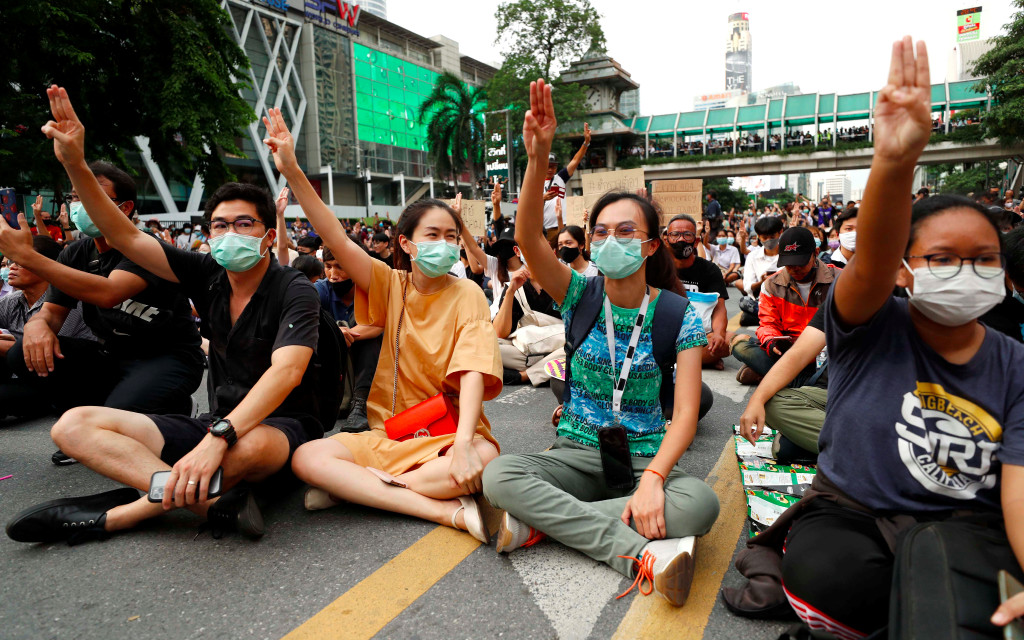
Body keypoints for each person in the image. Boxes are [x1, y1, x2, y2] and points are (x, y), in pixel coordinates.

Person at [729, 39, 1024, 638]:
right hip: (854, 514)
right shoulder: (872, 317)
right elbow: (864, 269)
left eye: (983, 259)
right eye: (942, 258)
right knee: (831, 578)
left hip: (967, 528)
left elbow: (1018, 490)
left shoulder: (1015, 365)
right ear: (903, 269)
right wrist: (895, 160)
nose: (964, 271)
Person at [5, 86, 324, 544]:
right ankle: (212, 503)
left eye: (244, 224)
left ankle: (122, 515)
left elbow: (287, 372)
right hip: (213, 422)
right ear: (208, 235)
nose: (230, 233)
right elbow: (124, 234)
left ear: (268, 236)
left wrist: (218, 438)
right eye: (219, 225)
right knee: (72, 426)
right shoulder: (206, 274)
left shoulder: (293, 287)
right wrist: (75, 161)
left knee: (244, 449)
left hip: (279, 426)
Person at [483, 79, 719, 608]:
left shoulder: (677, 314)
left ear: (651, 244)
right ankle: (633, 551)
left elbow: (685, 415)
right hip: (575, 453)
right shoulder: (577, 293)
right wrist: (538, 158)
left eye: (627, 231)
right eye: (602, 231)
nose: (612, 240)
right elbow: (527, 238)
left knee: (701, 502)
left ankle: (539, 525)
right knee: (500, 474)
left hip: (641, 458)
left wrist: (654, 478)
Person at [259, 108, 503, 543]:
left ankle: (357, 490)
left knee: (482, 463)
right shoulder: (390, 283)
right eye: (433, 235)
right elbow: (335, 236)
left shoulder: (467, 292)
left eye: (452, 236)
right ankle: (446, 513)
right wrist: (293, 171)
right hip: (389, 431)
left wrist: (466, 442)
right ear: (406, 243)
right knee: (307, 459)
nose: (445, 244)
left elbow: (472, 372)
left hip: (448, 433)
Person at [0, 161, 206, 467]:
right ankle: (85, 420)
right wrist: (37, 325)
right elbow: (52, 313)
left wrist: (26, 256)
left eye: (92, 195)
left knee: (116, 424)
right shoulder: (76, 253)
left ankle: (170, 410)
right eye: (76, 196)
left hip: (168, 357)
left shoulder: (146, 249)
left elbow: (108, 293)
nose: (80, 204)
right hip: (111, 356)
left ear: (125, 208)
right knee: (21, 352)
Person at [0, 236, 95, 420]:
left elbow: (44, 352)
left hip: (67, 378)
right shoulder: (13, 301)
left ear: (45, 266)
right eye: (11, 261)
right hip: (26, 375)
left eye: (21, 262)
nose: (11, 267)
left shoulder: (67, 301)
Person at [732, 227, 838, 385]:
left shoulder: (839, 280)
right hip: (788, 355)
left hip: (828, 355)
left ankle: (782, 378)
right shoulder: (771, 285)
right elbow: (768, 324)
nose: (795, 268)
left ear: (815, 253)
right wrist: (771, 342)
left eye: (800, 262)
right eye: (789, 264)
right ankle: (807, 382)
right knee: (740, 345)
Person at [738, 304, 827, 464]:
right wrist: (757, 399)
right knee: (768, 400)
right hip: (830, 389)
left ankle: (860, 449)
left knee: (785, 449)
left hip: (870, 405)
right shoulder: (839, 301)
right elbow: (798, 353)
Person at [315, 246, 384, 432]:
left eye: (340, 267)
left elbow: (377, 325)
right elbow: (304, 323)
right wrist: (336, 334)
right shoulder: (320, 290)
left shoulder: (370, 289)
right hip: (331, 359)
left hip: (365, 356)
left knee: (369, 339)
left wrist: (346, 334)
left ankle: (360, 406)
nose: (333, 275)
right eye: (328, 266)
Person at [665, 214, 730, 369]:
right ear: (666, 240)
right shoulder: (658, 268)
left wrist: (718, 334)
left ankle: (676, 359)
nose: (681, 240)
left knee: (729, 342)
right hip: (665, 334)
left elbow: (719, 308)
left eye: (687, 235)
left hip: (700, 335)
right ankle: (701, 358)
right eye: (675, 234)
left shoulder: (710, 270)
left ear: (696, 241)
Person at [542, 122, 590, 247]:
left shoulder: (560, 177)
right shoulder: (535, 183)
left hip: (564, 226)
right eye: (548, 166)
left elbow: (576, 160)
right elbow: (528, 205)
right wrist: (543, 198)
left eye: (553, 166)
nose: (551, 169)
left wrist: (586, 143)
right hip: (546, 229)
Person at [735, 216, 784, 325]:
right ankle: (775, 318)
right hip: (763, 300)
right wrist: (763, 282)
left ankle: (765, 317)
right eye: (765, 237)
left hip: (785, 300)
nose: (768, 240)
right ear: (758, 236)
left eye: (772, 237)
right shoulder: (753, 256)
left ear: (780, 233)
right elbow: (748, 286)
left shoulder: (788, 254)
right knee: (744, 302)